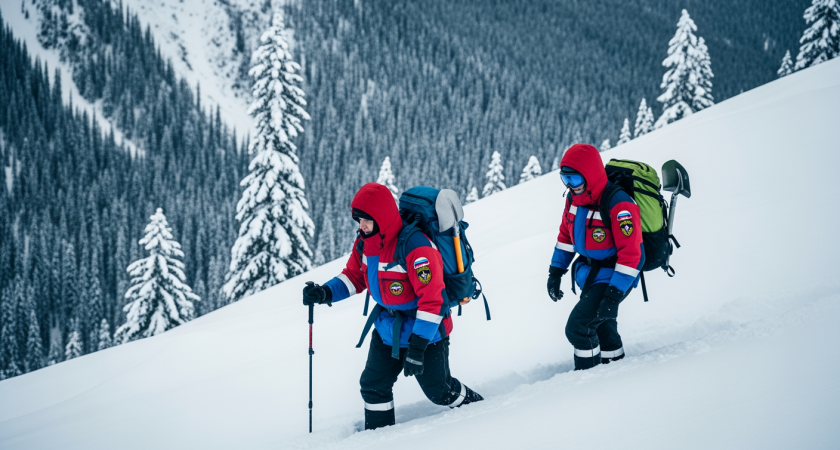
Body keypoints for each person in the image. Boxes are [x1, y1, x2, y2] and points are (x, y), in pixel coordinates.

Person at [303, 183, 483, 431]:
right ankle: (378, 438)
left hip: (426, 333)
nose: (361, 226)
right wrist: (324, 292)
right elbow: (354, 277)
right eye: (359, 220)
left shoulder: (416, 247)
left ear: (383, 217)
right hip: (388, 329)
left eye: (366, 220)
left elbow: (433, 301)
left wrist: (418, 348)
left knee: (439, 390)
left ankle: (479, 408)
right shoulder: (366, 243)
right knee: (373, 385)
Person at [546, 143, 645, 370]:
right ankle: (614, 368)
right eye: (565, 179)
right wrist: (555, 272)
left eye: (575, 179)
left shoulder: (619, 204)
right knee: (602, 325)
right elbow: (565, 237)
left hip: (614, 276)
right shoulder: (573, 200)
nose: (571, 186)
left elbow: (632, 255)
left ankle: (588, 381)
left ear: (589, 175)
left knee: (579, 327)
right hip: (590, 273)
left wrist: (613, 294)